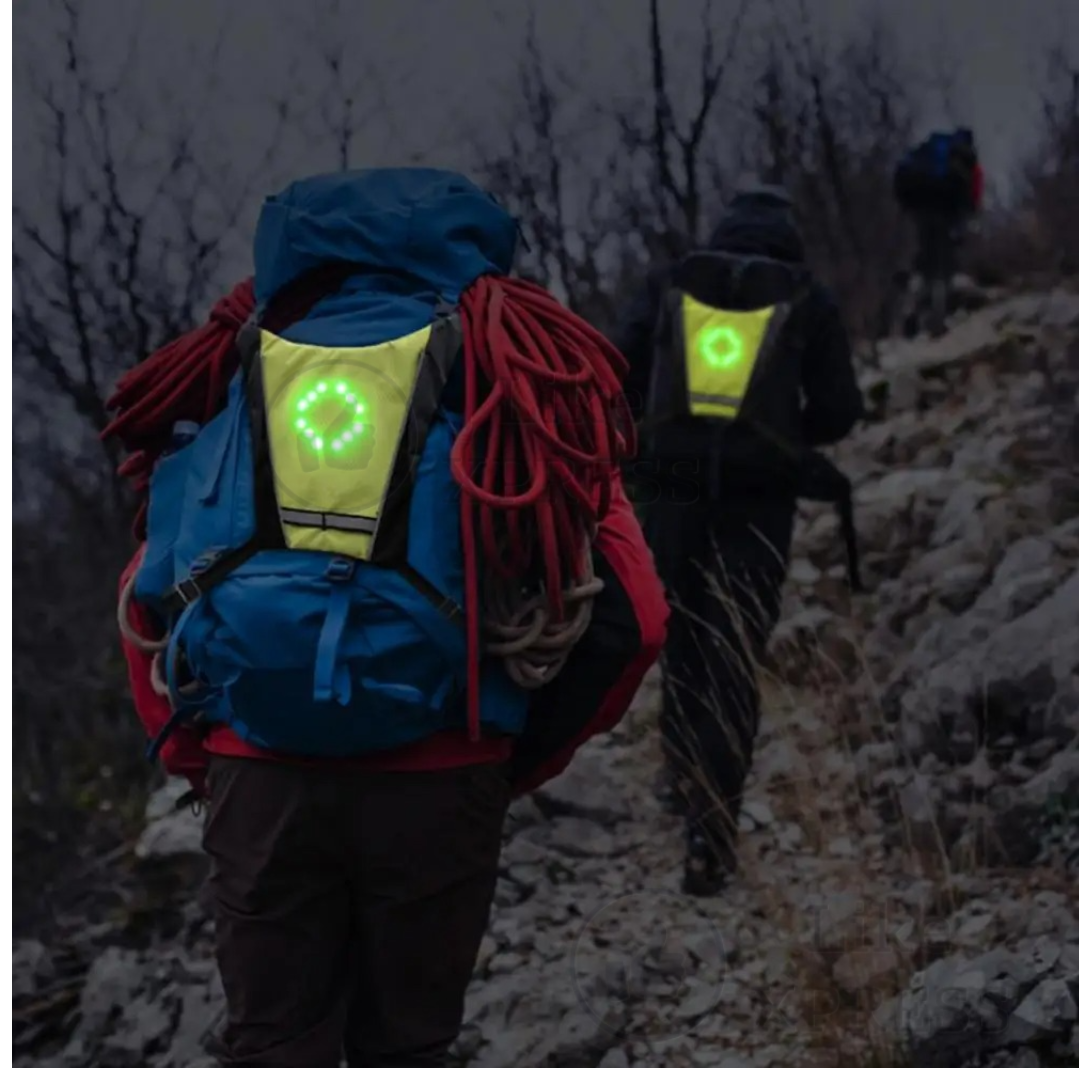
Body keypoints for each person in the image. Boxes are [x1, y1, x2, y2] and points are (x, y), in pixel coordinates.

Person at [108, 168, 668, 1066]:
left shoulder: (232, 364)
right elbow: (634, 618)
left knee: (272, 1047)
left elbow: (147, 590)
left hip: (258, 773)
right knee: (407, 1047)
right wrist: (505, 758)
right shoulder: (514, 372)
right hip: (442, 772)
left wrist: (202, 762)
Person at [614, 182, 863, 896]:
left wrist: (656, 444)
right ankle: (712, 830)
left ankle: (676, 774)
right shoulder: (806, 298)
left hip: (671, 494)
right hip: (758, 504)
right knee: (734, 651)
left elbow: (616, 374)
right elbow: (841, 408)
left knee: (682, 637)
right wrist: (781, 436)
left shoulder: (670, 283)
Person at [893, 127, 984, 336]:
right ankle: (937, 320)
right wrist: (961, 228)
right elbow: (972, 199)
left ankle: (911, 311)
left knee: (924, 263)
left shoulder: (932, 153)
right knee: (942, 267)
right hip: (944, 212)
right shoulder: (968, 162)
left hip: (920, 207)